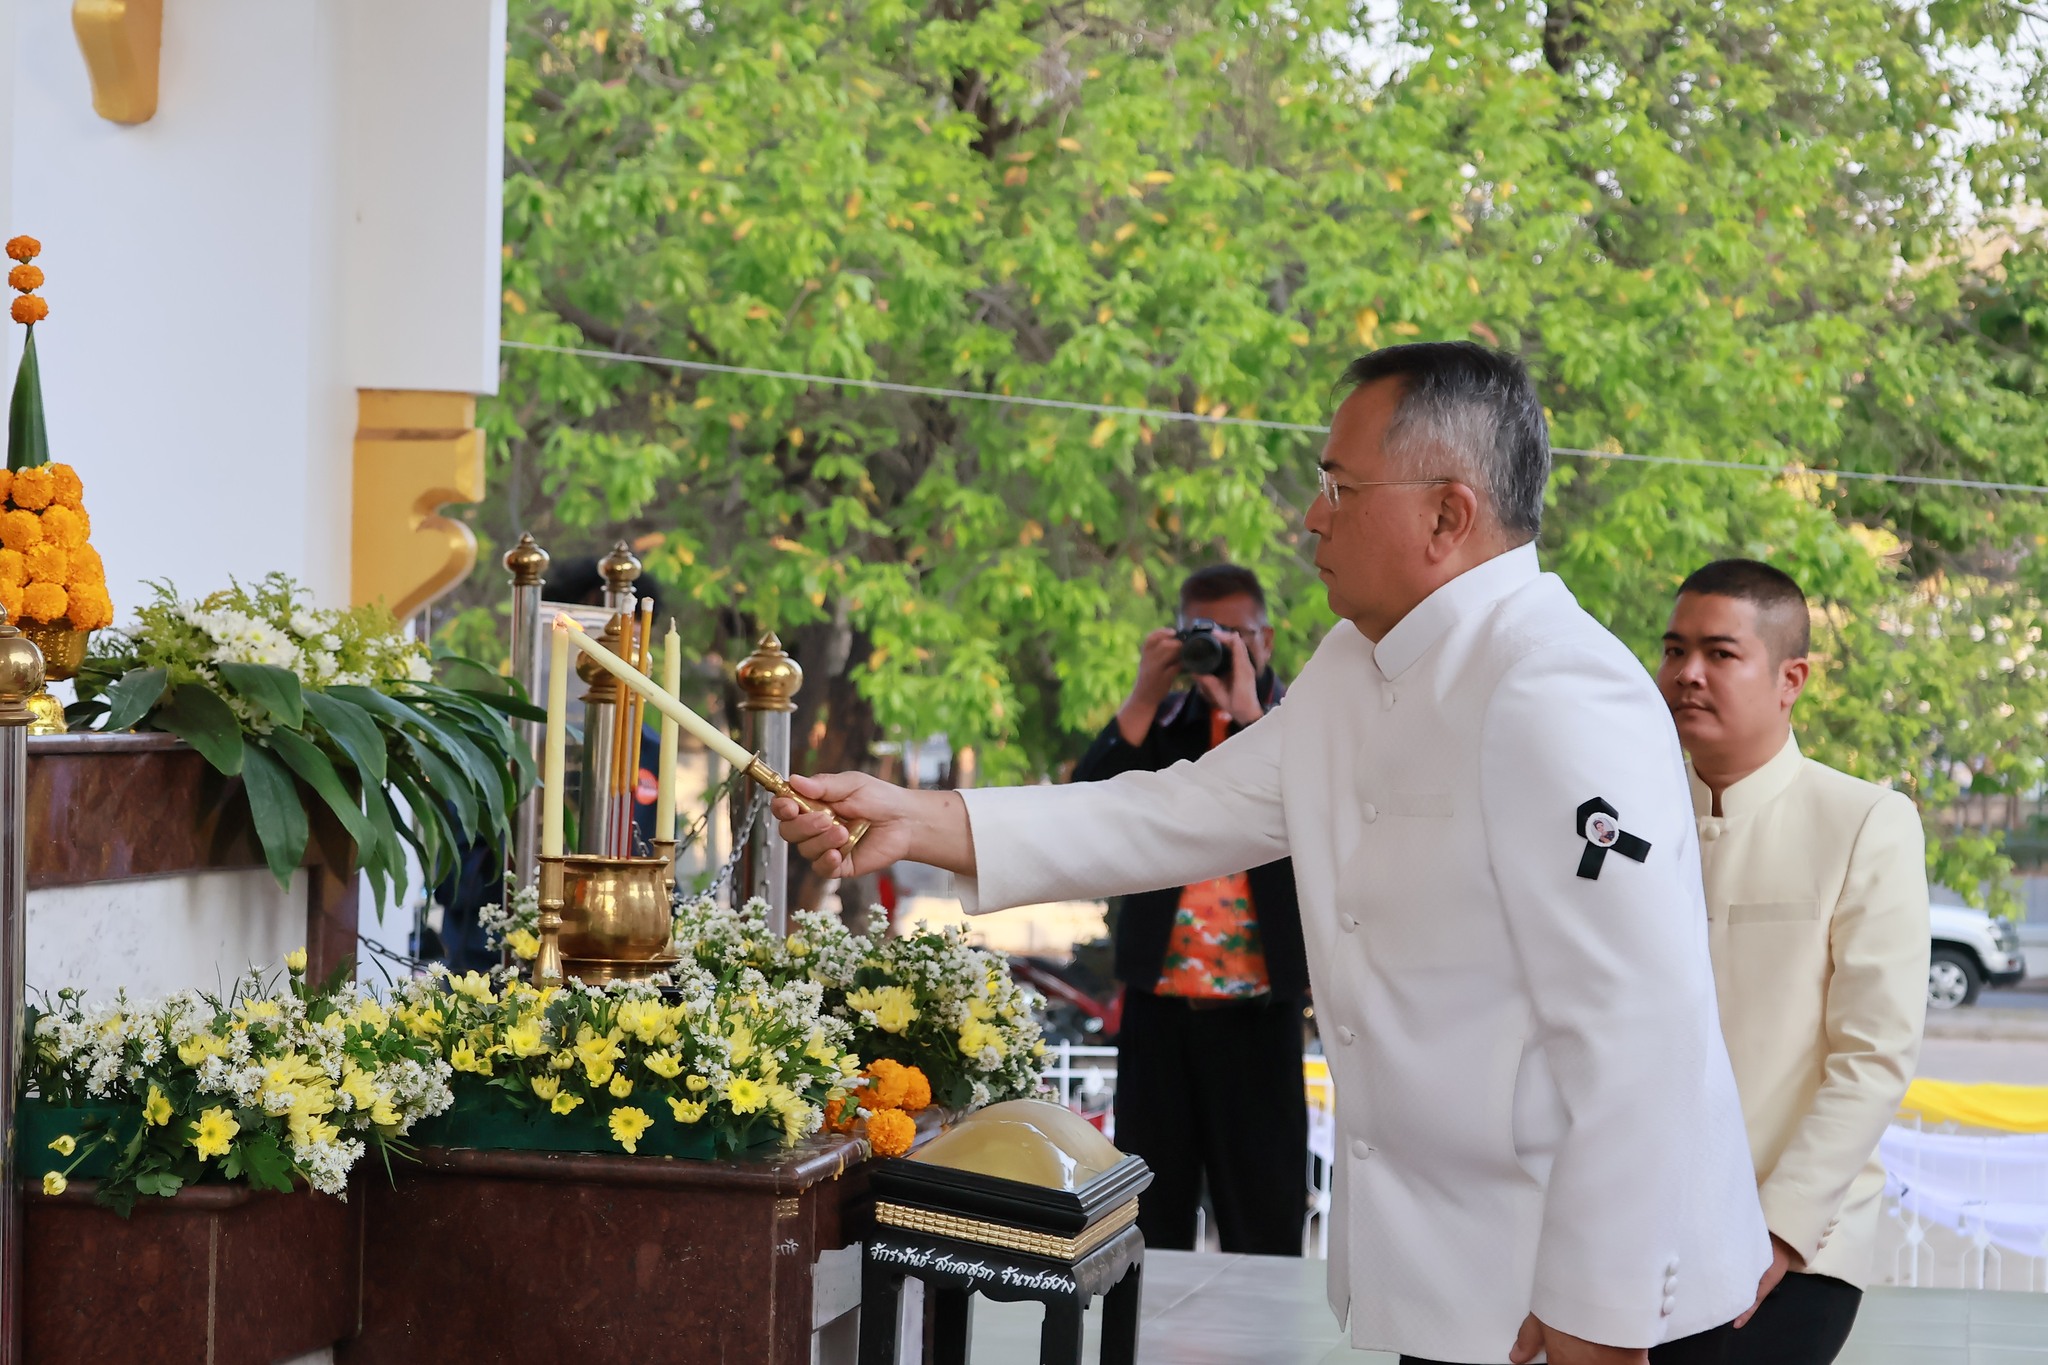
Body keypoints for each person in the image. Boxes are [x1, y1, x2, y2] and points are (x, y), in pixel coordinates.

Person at [775, 342, 1771, 1365]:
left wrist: (1594, 1317)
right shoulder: (1356, 666)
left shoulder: (1556, 686)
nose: (1312, 516)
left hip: (1595, 1299)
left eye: (1339, 486)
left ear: (1446, 513)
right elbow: (1173, 812)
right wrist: (920, 818)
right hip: (1461, 1280)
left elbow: (1635, 1027)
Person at [1652, 560, 1929, 1365]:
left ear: (1790, 678)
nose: (1687, 675)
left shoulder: (1863, 821)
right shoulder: (1630, 818)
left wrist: (1778, 1230)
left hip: (1795, 1243)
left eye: (1719, 653)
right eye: (1674, 651)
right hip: (1634, 1231)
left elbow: (1872, 1055)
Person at [1072, 563, 1306, 1256]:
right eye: (1205, 632)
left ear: (1266, 638)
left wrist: (1246, 717)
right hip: (1159, 1014)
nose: (1224, 645)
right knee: (1148, 1219)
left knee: (1265, 1217)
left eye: (1238, 632)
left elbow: (1315, 812)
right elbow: (1086, 804)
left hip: (1260, 1018)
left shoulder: (1297, 724)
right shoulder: (1163, 727)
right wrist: (1147, 690)